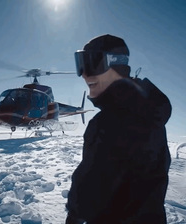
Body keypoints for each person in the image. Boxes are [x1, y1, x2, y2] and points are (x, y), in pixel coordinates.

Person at [66, 34, 172, 223]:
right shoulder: (148, 112)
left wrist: (73, 216)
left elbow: (89, 188)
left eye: (91, 63)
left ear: (116, 66)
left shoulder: (110, 122)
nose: (84, 74)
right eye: (80, 64)